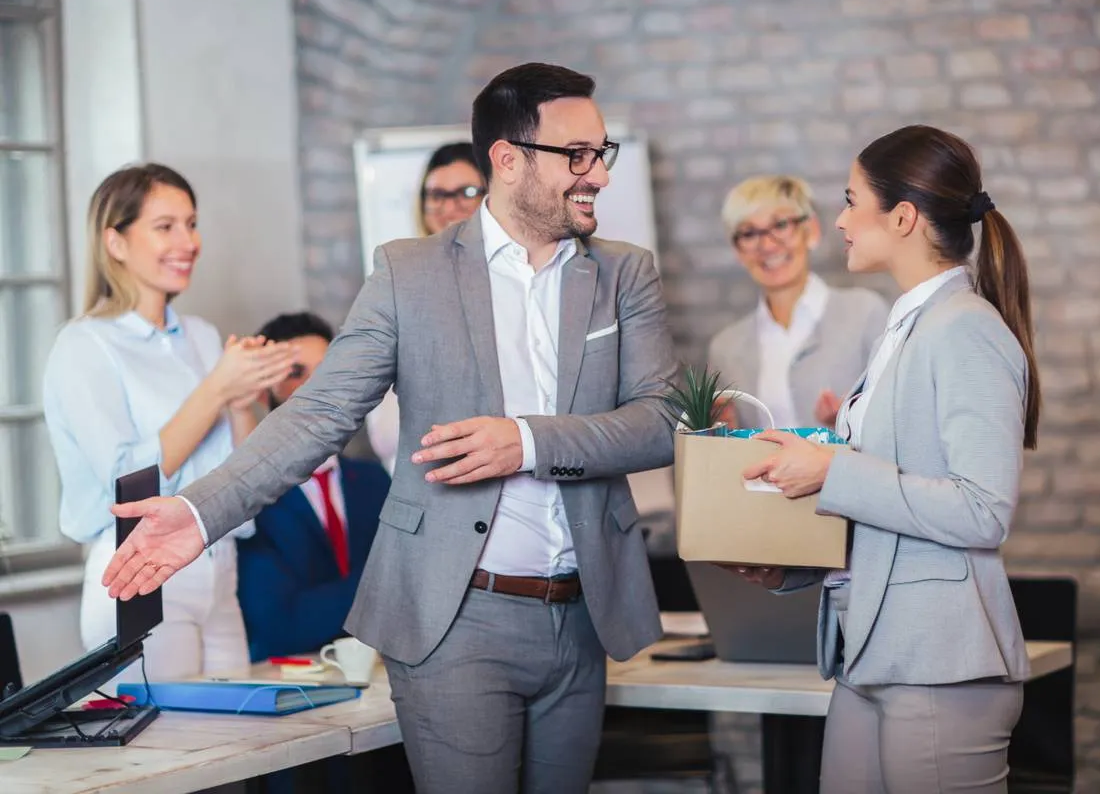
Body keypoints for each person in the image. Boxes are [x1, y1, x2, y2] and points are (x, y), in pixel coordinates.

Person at [102, 63, 679, 794]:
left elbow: (660, 423)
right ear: (508, 159)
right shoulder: (411, 274)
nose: (596, 173)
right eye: (577, 155)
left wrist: (525, 440)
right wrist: (199, 510)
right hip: (454, 616)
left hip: (585, 615)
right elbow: (321, 411)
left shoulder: (626, 274)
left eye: (602, 153)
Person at [735, 125, 1041, 793]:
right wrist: (790, 564)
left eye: (850, 201)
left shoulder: (965, 329)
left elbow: (981, 511)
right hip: (867, 652)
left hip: (940, 661)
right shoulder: (909, 326)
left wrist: (830, 471)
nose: (839, 221)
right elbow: (886, 504)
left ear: (902, 217)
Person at [42, 163, 296, 679]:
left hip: (219, 573)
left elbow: (237, 488)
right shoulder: (84, 345)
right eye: (165, 226)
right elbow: (125, 483)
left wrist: (240, 401)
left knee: (237, 750)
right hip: (139, 578)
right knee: (166, 755)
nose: (189, 241)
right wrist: (215, 390)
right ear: (115, 242)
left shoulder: (202, 336)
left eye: (192, 223)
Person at [236, 312, 390, 662]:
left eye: (327, 369)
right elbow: (280, 626)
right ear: (263, 393)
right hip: (289, 685)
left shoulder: (373, 480)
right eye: (295, 373)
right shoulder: (252, 500)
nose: (316, 385)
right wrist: (379, 588)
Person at [708, 175, 887, 429]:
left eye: (780, 225)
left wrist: (849, 420)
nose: (767, 245)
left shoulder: (865, 313)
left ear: (811, 230)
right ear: (738, 250)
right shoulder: (725, 348)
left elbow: (901, 419)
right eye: (749, 233)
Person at [367, 143, 488, 472]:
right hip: (417, 472)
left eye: (465, 191)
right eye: (435, 194)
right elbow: (385, 434)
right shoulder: (400, 282)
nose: (449, 206)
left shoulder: (517, 278)